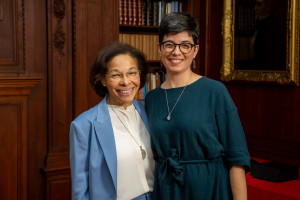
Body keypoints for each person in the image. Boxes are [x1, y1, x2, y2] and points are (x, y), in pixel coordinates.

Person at [145, 12, 250, 200]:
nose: (176, 52)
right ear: (160, 49)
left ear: (195, 50)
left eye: (185, 45)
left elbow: (237, 159)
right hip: (167, 190)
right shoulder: (152, 98)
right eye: (169, 44)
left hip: (208, 189)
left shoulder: (215, 91)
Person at [70, 42, 155, 200]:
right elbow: (80, 190)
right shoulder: (83, 125)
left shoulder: (151, 111)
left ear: (140, 74)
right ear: (103, 79)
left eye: (132, 73)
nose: (125, 82)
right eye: (116, 75)